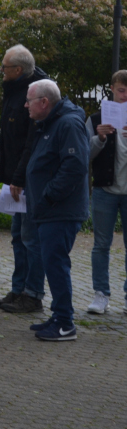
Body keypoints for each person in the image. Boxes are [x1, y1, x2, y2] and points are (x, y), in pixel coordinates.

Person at [23, 80, 88, 341]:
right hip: (50, 210)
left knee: (56, 264)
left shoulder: (68, 124)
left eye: (29, 100)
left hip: (60, 210)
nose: (25, 105)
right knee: (52, 263)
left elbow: (75, 166)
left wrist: (49, 196)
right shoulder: (52, 123)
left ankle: (65, 324)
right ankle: (59, 314)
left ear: (44, 102)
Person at [0, 44, 48, 313]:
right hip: (15, 179)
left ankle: (33, 294)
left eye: (4, 67)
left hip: (27, 181)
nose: (1, 71)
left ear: (18, 70)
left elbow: (31, 142)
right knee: (18, 236)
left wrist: (18, 177)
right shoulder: (15, 92)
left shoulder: (35, 94)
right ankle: (18, 290)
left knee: (30, 238)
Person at [85, 71, 127, 314]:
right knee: (101, 245)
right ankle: (101, 293)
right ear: (112, 89)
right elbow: (84, 154)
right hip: (104, 190)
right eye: (121, 90)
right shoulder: (96, 118)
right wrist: (99, 138)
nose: (125, 95)